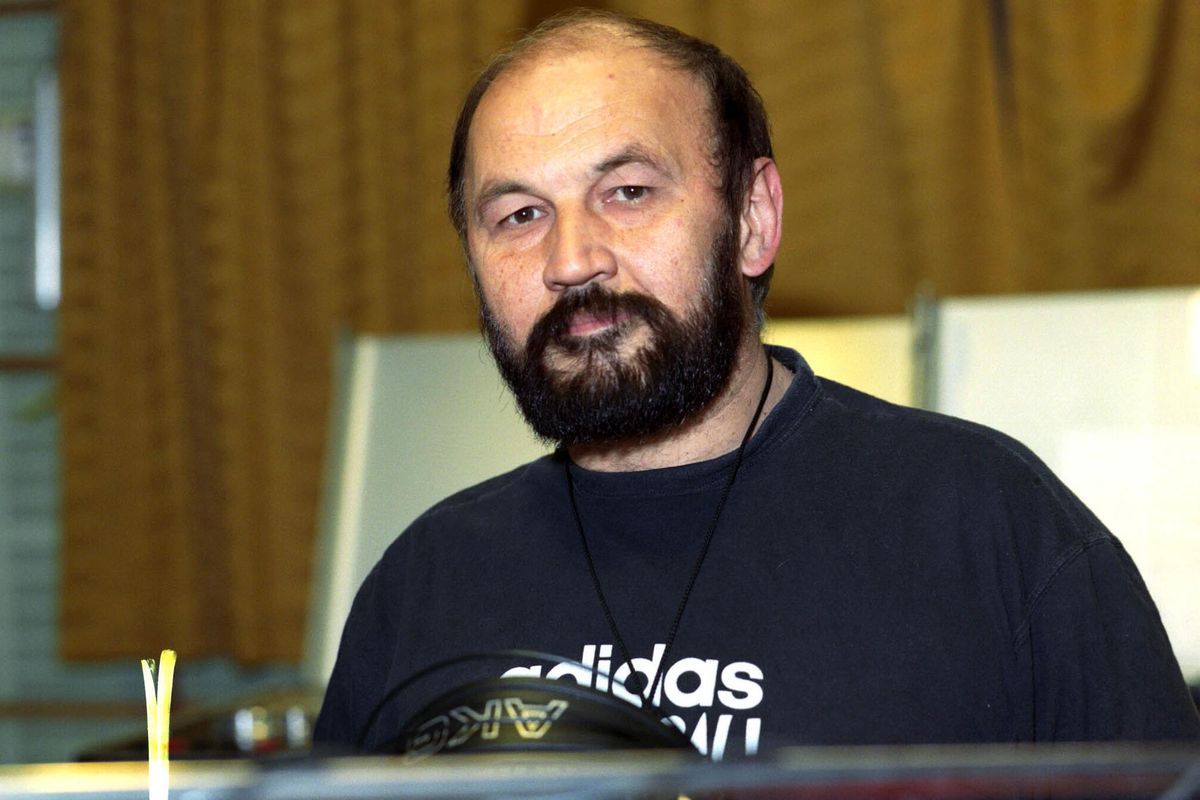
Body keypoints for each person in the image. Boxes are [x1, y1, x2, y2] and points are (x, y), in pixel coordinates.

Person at [314, 9, 1199, 757]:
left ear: (752, 218)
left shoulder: (987, 526)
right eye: (518, 215)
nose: (571, 259)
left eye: (628, 191)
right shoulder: (423, 585)